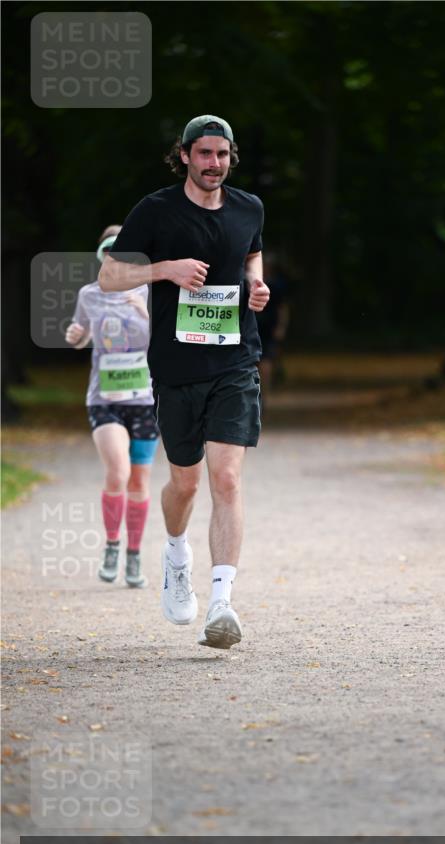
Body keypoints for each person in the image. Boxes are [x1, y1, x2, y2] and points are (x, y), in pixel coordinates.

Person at [98, 115, 270, 649]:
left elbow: (251, 251)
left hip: (235, 361)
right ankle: (176, 554)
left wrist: (255, 282)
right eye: (204, 154)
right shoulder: (156, 210)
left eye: (221, 154)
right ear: (186, 156)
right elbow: (109, 277)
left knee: (227, 479)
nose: (213, 163)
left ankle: (221, 603)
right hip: (175, 368)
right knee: (186, 483)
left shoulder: (249, 207)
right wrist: (162, 269)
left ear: (230, 157)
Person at [65, 225, 159, 588]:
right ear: (102, 255)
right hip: (104, 398)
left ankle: (133, 556)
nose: (115, 257)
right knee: (118, 471)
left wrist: (145, 312)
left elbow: (169, 343)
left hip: (145, 400)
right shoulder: (90, 294)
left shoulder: (150, 292)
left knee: (139, 481)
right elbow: (80, 334)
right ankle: (111, 545)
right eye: (109, 250)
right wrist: (76, 337)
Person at [256, 252, 291, 394]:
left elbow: (282, 307)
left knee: (266, 363)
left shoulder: (276, 285)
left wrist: (281, 327)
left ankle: (264, 394)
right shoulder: (248, 281)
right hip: (253, 328)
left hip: (268, 328)